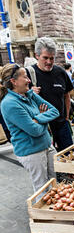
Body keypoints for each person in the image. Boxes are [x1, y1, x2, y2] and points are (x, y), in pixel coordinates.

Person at [0, 63, 60, 192]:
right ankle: (42, 212)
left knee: (57, 179)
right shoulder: (9, 103)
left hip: (47, 146)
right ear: (13, 81)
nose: (29, 80)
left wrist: (38, 118)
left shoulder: (30, 94)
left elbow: (55, 111)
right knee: (42, 188)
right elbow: (35, 131)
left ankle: (56, 211)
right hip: (32, 151)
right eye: (25, 77)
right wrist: (43, 117)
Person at [26, 37, 74, 152]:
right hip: (43, 126)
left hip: (62, 124)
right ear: (37, 55)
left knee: (69, 158)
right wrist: (29, 93)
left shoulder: (60, 72)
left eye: (52, 58)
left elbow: (67, 95)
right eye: (45, 58)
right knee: (50, 161)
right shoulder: (28, 73)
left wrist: (67, 116)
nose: (49, 62)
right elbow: (18, 99)